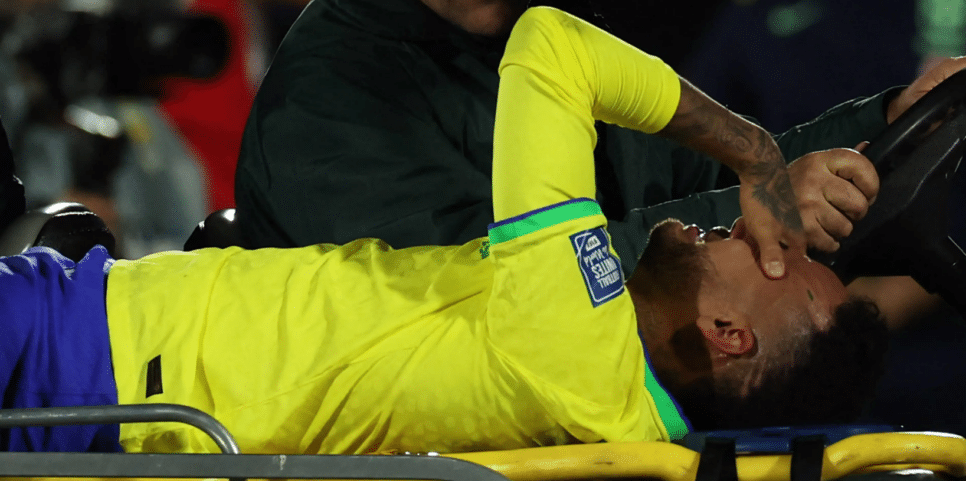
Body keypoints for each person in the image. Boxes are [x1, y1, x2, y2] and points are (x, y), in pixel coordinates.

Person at [0, 7, 887, 455]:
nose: (749, 224)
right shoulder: (616, 392)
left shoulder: (577, 343)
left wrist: (757, 152)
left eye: (772, 253)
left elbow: (551, 46)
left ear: (727, 337)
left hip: (80, 364)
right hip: (98, 323)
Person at [233, 0, 955, 276]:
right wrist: (754, 215)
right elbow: (497, 293)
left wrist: (885, 119)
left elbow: (696, 178)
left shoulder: (542, 36)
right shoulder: (322, 107)